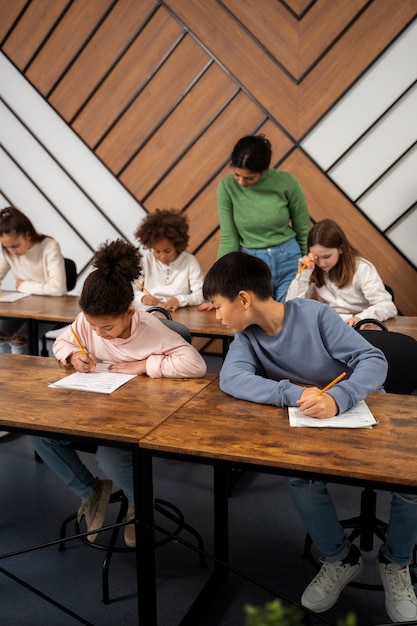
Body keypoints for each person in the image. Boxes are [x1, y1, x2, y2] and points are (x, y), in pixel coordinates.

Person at [202, 251, 417, 624]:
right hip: (311, 420)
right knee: (298, 475)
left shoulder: (314, 315)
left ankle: (396, 563)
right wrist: (294, 393)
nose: (217, 316)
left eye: (218, 306)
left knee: (411, 478)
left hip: (360, 410)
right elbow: (231, 378)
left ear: (243, 299)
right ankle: (339, 558)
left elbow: (374, 362)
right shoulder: (246, 338)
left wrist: (339, 396)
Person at [31, 239, 207, 546]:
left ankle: (140, 501)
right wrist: (73, 356)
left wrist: (144, 365)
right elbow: (62, 342)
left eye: (106, 328)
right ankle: (91, 491)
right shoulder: (90, 322)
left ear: (128, 312)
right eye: (92, 325)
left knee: (111, 455)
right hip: (94, 410)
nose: (97, 334)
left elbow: (195, 364)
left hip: (134, 421)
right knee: (40, 434)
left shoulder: (151, 328)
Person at [216, 134, 311, 302]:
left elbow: (303, 228)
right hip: (251, 264)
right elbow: (228, 237)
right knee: (252, 318)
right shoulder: (227, 187)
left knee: (289, 314)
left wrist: (308, 268)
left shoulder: (287, 182)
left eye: (249, 178)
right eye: (237, 174)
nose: (241, 182)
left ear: (264, 170)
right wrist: (219, 281)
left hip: (289, 258)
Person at [286, 219, 397, 325]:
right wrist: (303, 275)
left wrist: (361, 317)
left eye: (327, 256)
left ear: (341, 248)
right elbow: (291, 306)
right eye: (316, 257)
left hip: (362, 325)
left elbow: (388, 306)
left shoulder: (362, 268)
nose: (321, 263)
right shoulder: (314, 269)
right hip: (334, 325)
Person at [0, 205, 66, 353]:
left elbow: (57, 288)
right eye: (6, 247)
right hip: (23, 307)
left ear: (28, 235)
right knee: (1, 336)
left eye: (15, 246)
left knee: (19, 340)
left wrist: (23, 286)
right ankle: (5, 376)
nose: (12, 251)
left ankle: (22, 376)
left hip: (52, 309)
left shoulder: (49, 246)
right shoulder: (8, 252)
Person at [133, 208, 204, 311]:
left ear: (177, 245)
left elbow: (201, 294)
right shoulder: (146, 260)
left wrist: (179, 300)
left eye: (167, 251)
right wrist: (142, 297)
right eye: (157, 251)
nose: (162, 256)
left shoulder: (189, 261)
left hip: (182, 312)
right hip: (151, 312)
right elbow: (131, 291)